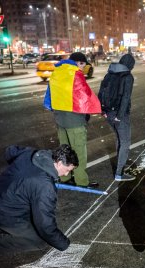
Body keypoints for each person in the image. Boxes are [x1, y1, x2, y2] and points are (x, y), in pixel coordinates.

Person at [0, 144, 78, 262]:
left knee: (35, 215)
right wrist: (63, 244)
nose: (66, 174)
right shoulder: (44, 186)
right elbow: (45, 225)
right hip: (1, 212)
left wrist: (18, 172)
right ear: (58, 162)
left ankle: (16, 229)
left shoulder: (33, 154)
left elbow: (10, 151)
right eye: (67, 170)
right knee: (39, 240)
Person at [44, 52, 101, 188]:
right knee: (78, 151)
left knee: (64, 149)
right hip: (74, 119)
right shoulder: (75, 73)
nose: (82, 67)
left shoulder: (57, 72)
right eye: (82, 64)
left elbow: (50, 94)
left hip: (59, 118)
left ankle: (65, 177)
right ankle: (81, 181)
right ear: (77, 62)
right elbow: (85, 95)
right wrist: (94, 109)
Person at [98, 54, 136, 181]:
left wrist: (102, 110)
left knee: (119, 139)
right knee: (125, 142)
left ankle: (119, 166)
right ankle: (119, 173)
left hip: (108, 112)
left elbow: (101, 91)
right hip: (120, 114)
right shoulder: (127, 76)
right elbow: (126, 97)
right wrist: (120, 116)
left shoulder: (110, 73)